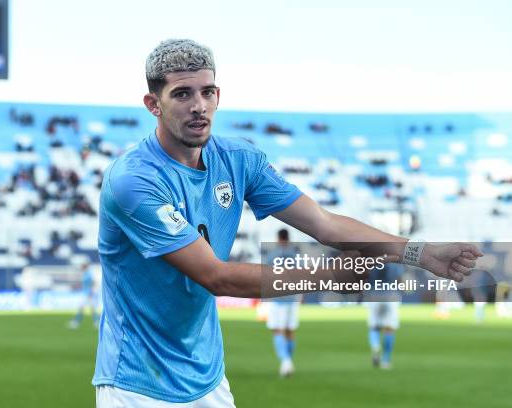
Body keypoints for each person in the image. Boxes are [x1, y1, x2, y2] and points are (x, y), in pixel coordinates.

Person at [93, 38, 481, 407]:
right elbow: (215, 277)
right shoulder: (134, 180)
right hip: (137, 384)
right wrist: (326, 276)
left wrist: (421, 253)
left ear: (218, 95)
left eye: (207, 92)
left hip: (207, 377)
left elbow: (324, 224)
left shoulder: (239, 159)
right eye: (182, 94)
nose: (199, 105)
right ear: (153, 104)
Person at [265, 228, 303, 377]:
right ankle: (288, 361)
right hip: (292, 297)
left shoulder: (273, 255)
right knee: (290, 331)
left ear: (279, 238)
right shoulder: (295, 255)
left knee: (277, 329)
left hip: (277, 298)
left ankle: (286, 361)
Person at [365, 263, 403, 369]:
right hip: (390, 297)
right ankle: (386, 360)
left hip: (374, 296)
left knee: (374, 327)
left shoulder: (371, 261)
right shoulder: (395, 262)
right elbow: (399, 280)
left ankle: (376, 346)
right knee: (389, 329)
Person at [68, 262, 99, 329]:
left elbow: (93, 283)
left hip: (88, 294)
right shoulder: (85, 274)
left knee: (83, 308)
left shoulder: (88, 274)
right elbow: (84, 284)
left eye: (82, 266)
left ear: (84, 267)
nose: (81, 268)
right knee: (90, 309)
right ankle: (96, 322)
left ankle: (76, 322)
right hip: (86, 293)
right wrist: (76, 286)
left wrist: (91, 292)